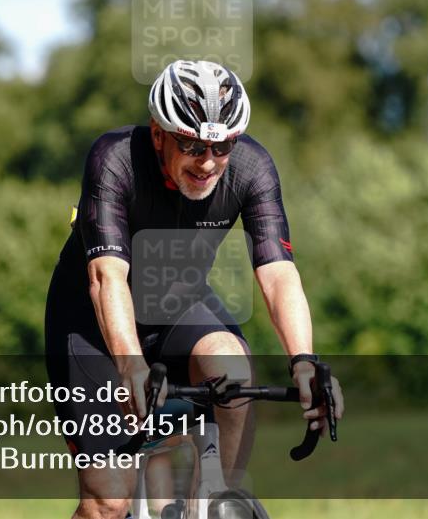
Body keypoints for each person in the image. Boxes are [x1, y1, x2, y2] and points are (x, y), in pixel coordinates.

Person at [44, 60, 345, 519]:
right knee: (108, 499)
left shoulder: (252, 168)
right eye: (192, 144)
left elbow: (278, 273)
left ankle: (214, 501)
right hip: (94, 323)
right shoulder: (115, 158)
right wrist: (129, 365)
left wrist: (303, 360)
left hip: (178, 304)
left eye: (221, 147)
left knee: (231, 363)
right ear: (159, 132)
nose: (207, 162)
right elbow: (106, 277)